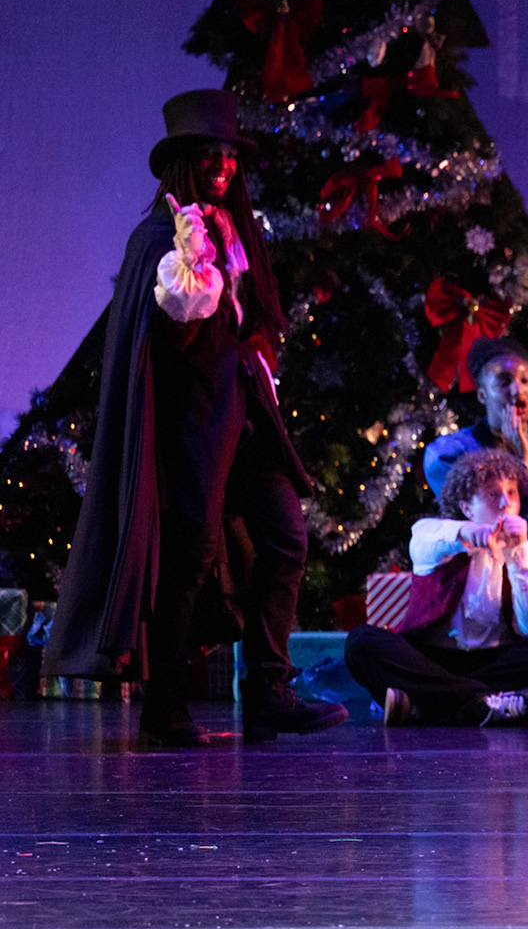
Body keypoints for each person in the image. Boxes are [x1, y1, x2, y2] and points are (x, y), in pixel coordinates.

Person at [47, 89, 345, 747]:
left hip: (247, 414)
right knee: (189, 559)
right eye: (208, 155)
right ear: (183, 163)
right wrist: (187, 276)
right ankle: (166, 710)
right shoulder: (158, 238)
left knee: (287, 539)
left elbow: (251, 315)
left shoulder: (236, 232)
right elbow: (162, 337)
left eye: (229, 156)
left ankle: (267, 691)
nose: (222, 166)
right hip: (191, 422)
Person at [344, 449, 528, 727]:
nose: (505, 503)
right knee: (361, 643)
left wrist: (518, 553)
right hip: (430, 660)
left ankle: (430, 706)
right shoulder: (436, 534)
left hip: (497, 661)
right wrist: (467, 533)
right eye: (492, 494)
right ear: (466, 508)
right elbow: (426, 541)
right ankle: (485, 704)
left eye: (512, 493)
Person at [424, 336, 528, 596]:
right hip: (497, 598)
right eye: (504, 382)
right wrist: (520, 461)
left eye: (525, 380)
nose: (517, 390)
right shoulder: (456, 453)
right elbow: (485, 524)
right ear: (482, 394)